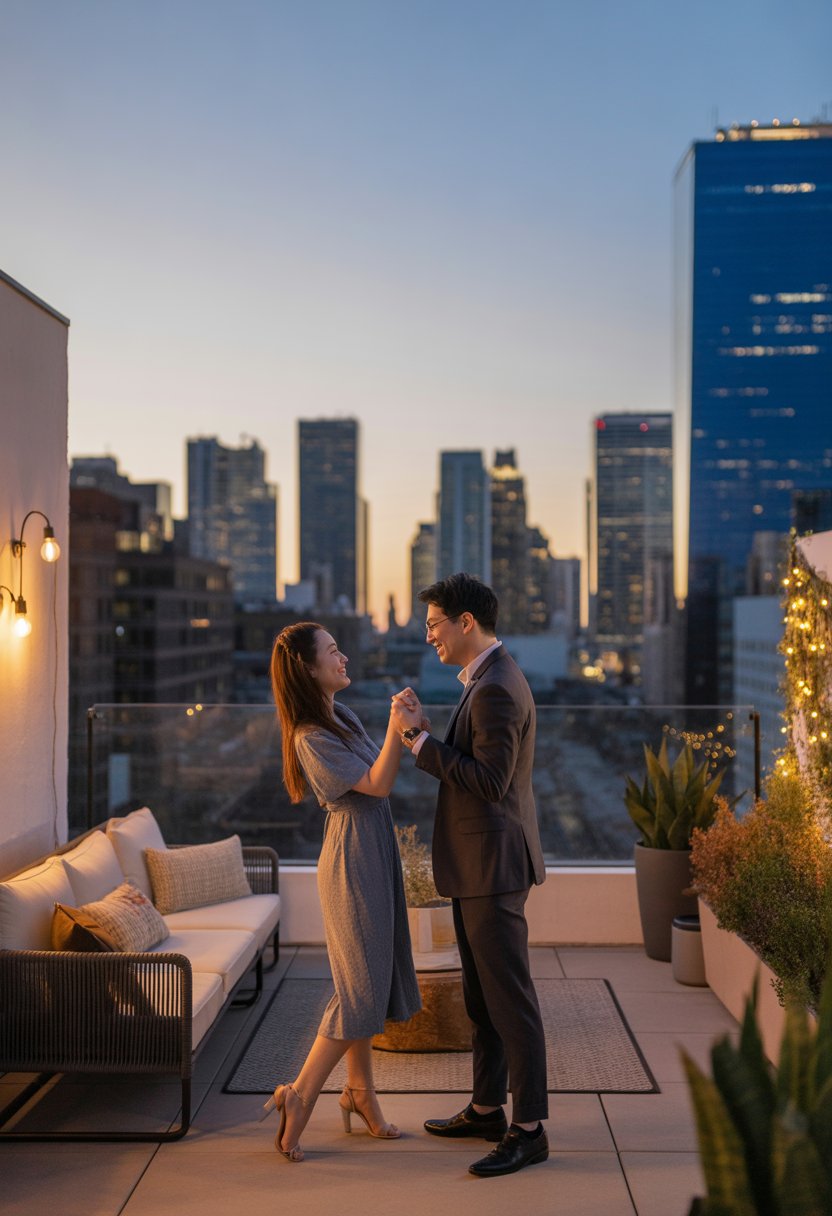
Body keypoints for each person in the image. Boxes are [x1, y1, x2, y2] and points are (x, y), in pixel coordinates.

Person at [398, 573, 549, 1178]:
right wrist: (430, 734)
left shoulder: (495, 688)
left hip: (493, 865)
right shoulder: (485, 679)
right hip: (479, 864)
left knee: (511, 1002)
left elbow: (489, 781)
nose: (428, 633)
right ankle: (487, 1108)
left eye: (435, 622)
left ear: (466, 623)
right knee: (482, 998)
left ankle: (529, 1129)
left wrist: (417, 739)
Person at [263, 620, 423, 1162]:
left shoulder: (341, 714)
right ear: (309, 668)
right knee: (358, 991)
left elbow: (375, 777)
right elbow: (376, 783)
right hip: (352, 860)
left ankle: (360, 1093)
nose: (344, 657)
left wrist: (398, 728)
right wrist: (399, 728)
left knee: (368, 982)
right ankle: (301, 1096)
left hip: (373, 849)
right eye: (333, 651)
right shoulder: (310, 736)